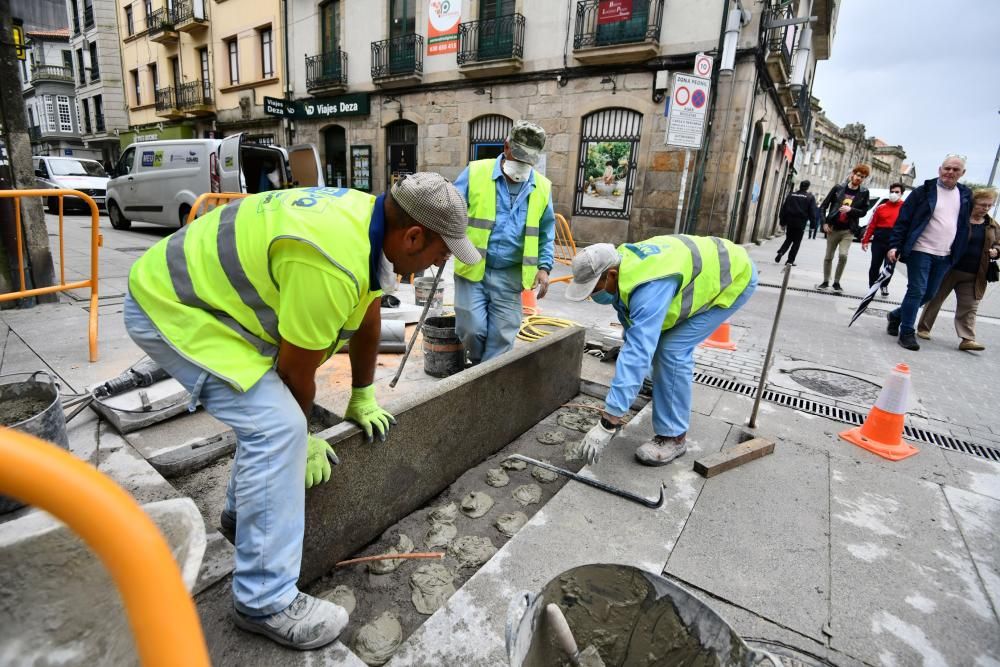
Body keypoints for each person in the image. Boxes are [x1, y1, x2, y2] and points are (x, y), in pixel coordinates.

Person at [123, 175, 479, 650]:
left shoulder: (369, 225)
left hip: (207, 303)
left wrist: (362, 395)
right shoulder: (330, 260)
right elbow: (295, 373)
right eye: (442, 251)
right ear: (414, 236)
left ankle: (241, 517)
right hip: (173, 307)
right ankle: (264, 601)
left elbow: (368, 317)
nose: (443, 262)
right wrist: (303, 436)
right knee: (279, 428)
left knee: (271, 423)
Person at [564, 236, 757, 466]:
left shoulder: (649, 285)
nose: (594, 296)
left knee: (672, 349)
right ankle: (655, 384)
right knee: (652, 342)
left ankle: (674, 437)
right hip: (710, 268)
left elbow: (638, 351)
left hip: (734, 277)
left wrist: (608, 421)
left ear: (612, 275)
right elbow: (634, 330)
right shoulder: (624, 265)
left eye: (594, 289)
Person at [453, 120, 556, 364]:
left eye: (528, 160)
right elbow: (452, 210)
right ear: (506, 147)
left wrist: (544, 266)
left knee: (502, 337)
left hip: (511, 275)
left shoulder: (542, 187)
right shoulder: (476, 172)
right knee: (471, 329)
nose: (522, 164)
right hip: (472, 267)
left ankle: (484, 383)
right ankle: (478, 368)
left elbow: (545, 230)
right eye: (518, 156)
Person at [886, 154, 973, 351]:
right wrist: (894, 245)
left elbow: (964, 224)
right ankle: (907, 332)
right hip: (920, 249)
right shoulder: (923, 191)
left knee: (929, 294)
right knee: (916, 290)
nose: (950, 172)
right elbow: (904, 220)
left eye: (955, 170)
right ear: (939, 169)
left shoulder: (965, 195)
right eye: (947, 168)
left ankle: (896, 315)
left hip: (946, 254)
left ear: (962, 173)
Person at [916, 186, 999, 351]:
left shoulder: (992, 225)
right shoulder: (959, 219)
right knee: (934, 299)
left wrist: (996, 250)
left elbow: (999, 243)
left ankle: (967, 339)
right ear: (973, 203)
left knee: (970, 306)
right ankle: (923, 328)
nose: (986, 208)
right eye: (982, 205)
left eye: (989, 205)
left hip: (975, 273)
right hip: (948, 268)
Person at [818, 164, 871, 291]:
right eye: (858, 175)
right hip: (833, 228)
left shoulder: (864, 192)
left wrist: (851, 210)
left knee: (843, 255)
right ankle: (825, 281)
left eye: (862, 177)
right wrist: (824, 223)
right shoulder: (838, 188)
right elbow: (823, 206)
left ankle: (836, 282)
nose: (859, 178)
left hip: (848, 230)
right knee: (828, 256)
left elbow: (864, 211)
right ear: (853, 174)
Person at [861, 182, 906, 296]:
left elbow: (908, 226)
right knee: (875, 265)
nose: (894, 194)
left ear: (901, 194)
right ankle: (872, 286)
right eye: (892, 192)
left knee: (889, 267)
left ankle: (884, 285)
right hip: (879, 240)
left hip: (894, 242)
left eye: (897, 192)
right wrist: (865, 240)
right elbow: (871, 224)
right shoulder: (881, 208)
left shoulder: (905, 208)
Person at [775, 180, 818, 266]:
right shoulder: (810, 197)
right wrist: (813, 225)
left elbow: (784, 208)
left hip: (790, 221)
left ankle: (781, 252)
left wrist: (782, 221)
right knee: (796, 242)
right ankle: (790, 261)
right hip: (800, 223)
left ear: (800, 186)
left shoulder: (791, 195)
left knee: (788, 239)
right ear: (808, 187)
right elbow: (812, 212)